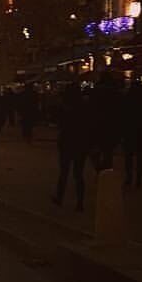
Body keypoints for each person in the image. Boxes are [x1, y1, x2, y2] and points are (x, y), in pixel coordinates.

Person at [52, 83, 89, 211]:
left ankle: (59, 197)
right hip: (80, 143)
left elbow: (58, 122)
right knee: (78, 174)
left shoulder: (64, 107)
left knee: (64, 172)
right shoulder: (84, 107)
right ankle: (80, 202)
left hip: (67, 141)